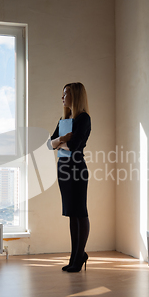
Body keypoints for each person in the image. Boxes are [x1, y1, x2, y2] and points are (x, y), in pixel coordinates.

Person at [49, 82, 91, 273]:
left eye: (66, 94)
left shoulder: (84, 119)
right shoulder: (63, 120)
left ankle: (79, 255)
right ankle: (75, 256)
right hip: (63, 169)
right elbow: (51, 144)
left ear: (75, 96)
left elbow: (75, 146)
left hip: (76, 169)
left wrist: (63, 142)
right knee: (71, 213)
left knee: (80, 212)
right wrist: (64, 139)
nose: (62, 98)